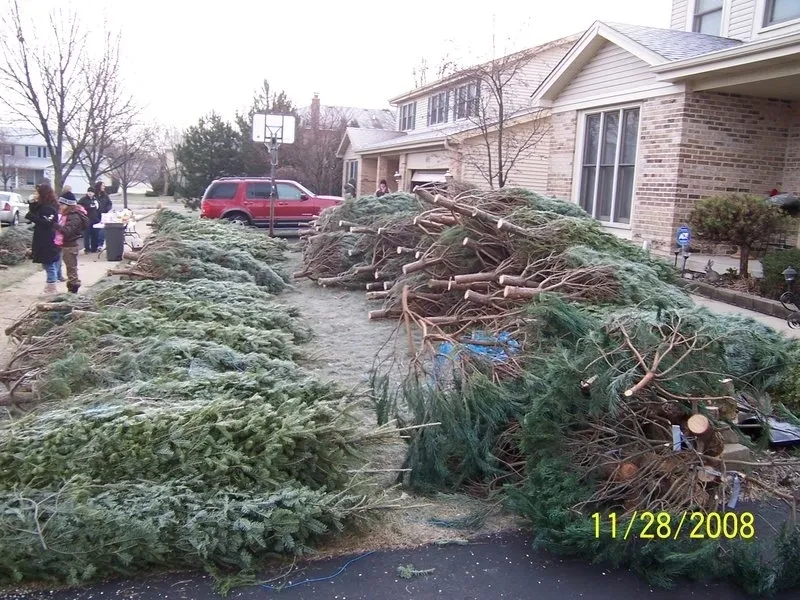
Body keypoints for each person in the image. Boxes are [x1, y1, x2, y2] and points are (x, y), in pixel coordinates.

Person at [24, 183, 60, 294]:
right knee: (48, 262)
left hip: (47, 238)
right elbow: (35, 209)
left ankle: (51, 286)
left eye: (37, 192)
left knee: (48, 262)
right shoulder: (44, 205)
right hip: (42, 237)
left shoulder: (48, 208)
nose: (35, 194)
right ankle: (51, 285)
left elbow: (46, 223)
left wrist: (30, 216)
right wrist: (32, 202)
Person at [54, 195, 89, 294]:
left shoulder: (74, 216)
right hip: (66, 245)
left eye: (62, 204)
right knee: (70, 269)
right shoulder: (67, 215)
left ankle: (73, 291)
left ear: (68, 205)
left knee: (71, 270)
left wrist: (54, 225)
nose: (60, 206)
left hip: (70, 246)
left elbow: (67, 231)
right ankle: (71, 289)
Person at [78, 187, 101, 253]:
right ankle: (87, 249)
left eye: (91, 192)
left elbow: (99, 208)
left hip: (95, 219)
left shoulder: (95, 199)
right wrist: (88, 207)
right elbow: (79, 207)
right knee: (86, 235)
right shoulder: (83, 199)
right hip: (86, 219)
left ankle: (94, 248)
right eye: (89, 191)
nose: (90, 193)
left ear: (94, 193)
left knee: (95, 234)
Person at [94, 181, 112, 252]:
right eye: (103, 186)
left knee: (102, 230)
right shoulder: (94, 196)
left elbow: (109, 203)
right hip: (95, 215)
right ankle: (94, 245)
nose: (104, 187)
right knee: (95, 230)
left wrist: (107, 209)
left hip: (103, 215)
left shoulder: (105, 195)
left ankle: (100, 244)